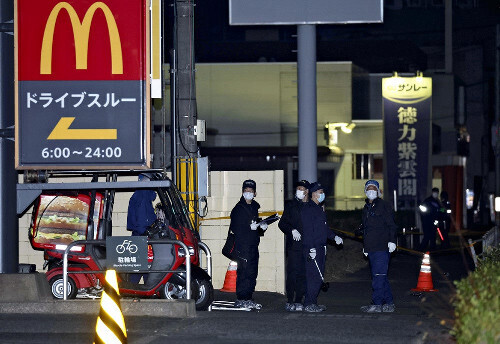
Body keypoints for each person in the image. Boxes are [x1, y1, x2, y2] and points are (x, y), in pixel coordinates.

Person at [301, 182, 343, 313]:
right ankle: (309, 303)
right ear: (313, 194)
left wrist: (334, 237)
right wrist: (311, 248)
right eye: (320, 192)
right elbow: (308, 231)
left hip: (321, 247)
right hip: (312, 248)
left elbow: (324, 229)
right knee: (314, 276)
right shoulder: (308, 209)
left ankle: (312, 302)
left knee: (318, 276)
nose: (322, 194)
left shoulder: (319, 209)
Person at [359, 180, 398, 313]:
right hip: (371, 248)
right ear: (365, 191)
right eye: (368, 189)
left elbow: (392, 225)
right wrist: (365, 246)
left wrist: (392, 241)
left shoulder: (384, 205)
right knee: (381, 276)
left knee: (378, 276)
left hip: (382, 247)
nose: (371, 191)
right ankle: (389, 302)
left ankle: (377, 303)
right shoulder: (366, 208)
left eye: (373, 189)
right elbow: (366, 229)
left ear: (378, 191)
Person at [230, 179, 268, 309]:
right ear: (242, 192)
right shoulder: (238, 209)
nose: (248, 193)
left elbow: (255, 228)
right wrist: (248, 227)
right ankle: (241, 298)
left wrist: (261, 227)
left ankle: (248, 297)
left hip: (253, 245)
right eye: (246, 191)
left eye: (251, 191)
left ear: (255, 193)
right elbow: (235, 228)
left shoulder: (254, 207)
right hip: (242, 246)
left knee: (252, 272)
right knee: (244, 272)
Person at [278, 179, 310, 312]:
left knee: (303, 274)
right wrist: (291, 230)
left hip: (306, 246)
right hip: (293, 247)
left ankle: (299, 300)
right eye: (298, 189)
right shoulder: (291, 206)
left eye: (302, 189)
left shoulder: (310, 207)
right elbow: (282, 223)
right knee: (292, 273)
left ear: (307, 191)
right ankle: (290, 300)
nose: (299, 191)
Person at [126, 173, 157, 283]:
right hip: (142, 232)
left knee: (139, 263)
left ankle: (133, 286)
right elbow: (143, 215)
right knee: (145, 262)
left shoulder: (139, 194)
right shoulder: (144, 194)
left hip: (138, 232)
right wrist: (146, 230)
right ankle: (143, 286)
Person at [419, 187, 442, 252]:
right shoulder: (428, 200)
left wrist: (444, 211)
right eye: (435, 192)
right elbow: (422, 209)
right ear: (432, 193)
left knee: (433, 236)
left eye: (437, 193)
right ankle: (421, 249)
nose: (436, 194)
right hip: (427, 222)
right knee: (427, 236)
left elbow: (440, 210)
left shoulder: (438, 202)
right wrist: (424, 217)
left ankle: (432, 250)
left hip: (434, 222)